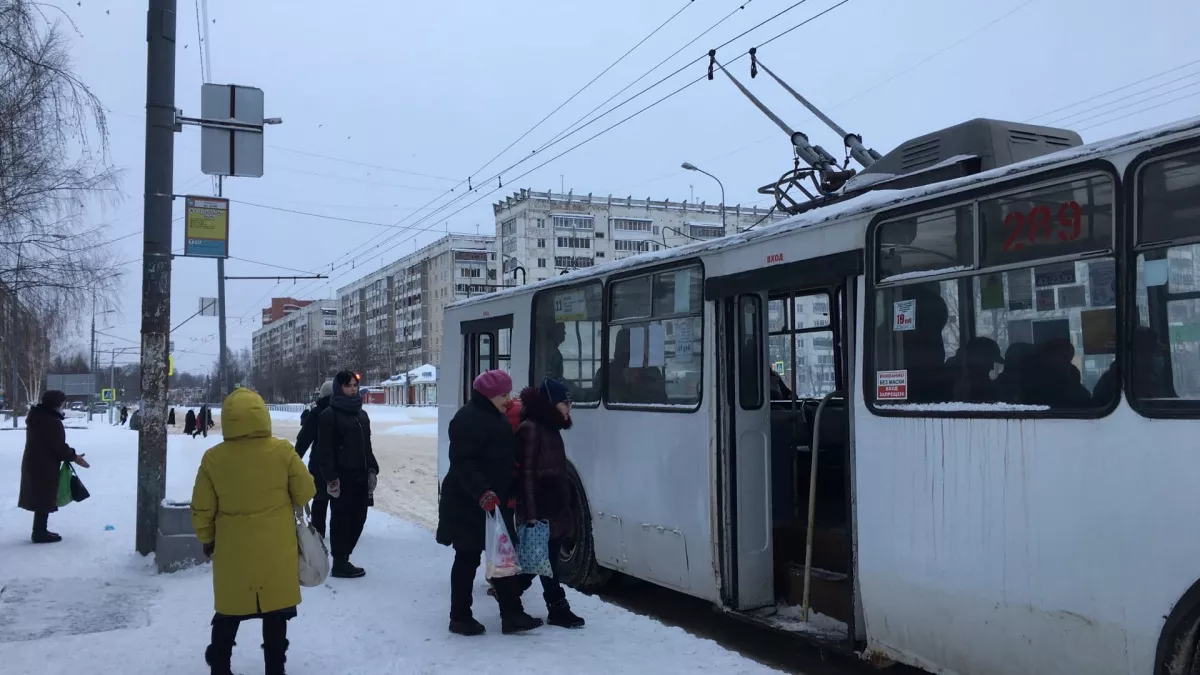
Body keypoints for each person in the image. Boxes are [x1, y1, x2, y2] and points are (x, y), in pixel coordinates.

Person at [191, 388, 316, 675]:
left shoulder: (213, 458)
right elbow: (306, 490)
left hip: (233, 551)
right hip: (277, 549)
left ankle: (220, 667)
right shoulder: (282, 451)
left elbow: (201, 509)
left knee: (229, 611)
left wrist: (207, 539)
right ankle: (275, 667)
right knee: (275, 611)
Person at [436, 369, 542, 636]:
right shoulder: (468, 419)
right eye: (503, 395)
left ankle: (512, 615)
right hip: (468, 503)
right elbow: (463, 462)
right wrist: (482, 491)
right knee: (467, 559)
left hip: (494, 503)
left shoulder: (494, 415)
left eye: (508, 393)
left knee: (503, 558)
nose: (508, 399)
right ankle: (460, 617)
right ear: (488, 395)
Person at [515, 378, 585, 628]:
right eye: (565, 402)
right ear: (550, 403)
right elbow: (527, 475)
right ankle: (557, 608)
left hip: (554, 504)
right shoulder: (532, 428)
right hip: (542, 507)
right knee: (546, 562)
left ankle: (509, 594)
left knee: (541, 560)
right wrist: (531, 515)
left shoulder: (551, 427)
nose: (569, 407)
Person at [317, 371, 379, 579]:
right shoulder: (329, 415)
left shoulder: (361, 414)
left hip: (361, 477)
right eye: (348, 385)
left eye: (354, 385)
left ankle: (345, 556)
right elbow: (324, 451)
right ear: (338, 388)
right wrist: (330, 478)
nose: (353, 389)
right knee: (341, 520)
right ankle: (340, 561)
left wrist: (372, 468)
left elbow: (367, 446)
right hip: (342, 478)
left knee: (359, 518)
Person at [18, 390, 90, 544]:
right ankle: (39, 533)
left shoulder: (37, 416)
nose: (62, 406)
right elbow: (58, 446)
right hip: (44, 464)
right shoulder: (49, 420)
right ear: (56, 404)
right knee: (44, 495)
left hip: (35, 461)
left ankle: (39, 530)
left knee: (41, 495)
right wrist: (74, 457)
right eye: (61, 403)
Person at [295, 380, 334, 537]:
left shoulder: (316, 413)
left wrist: (294, 460)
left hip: (319, 463)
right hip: (341, 464)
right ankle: (341, 533)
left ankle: (319, 532)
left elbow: (303, 440)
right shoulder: (344, 410)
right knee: (340, 501)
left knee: (320, 499)